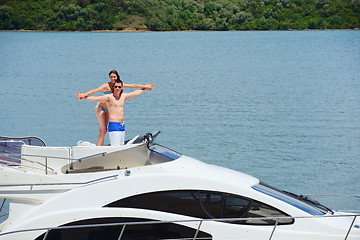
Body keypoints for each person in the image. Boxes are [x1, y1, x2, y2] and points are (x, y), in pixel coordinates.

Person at [76, 70, 154, 146]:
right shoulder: (107, 87)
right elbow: (95, 91)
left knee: (107, 129)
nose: (113, 79)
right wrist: (84, 95)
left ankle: (102, 145)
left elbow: (133, 87)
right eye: (111, 77)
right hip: (102, 108)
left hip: (114, 114)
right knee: (103, 129)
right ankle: (99, 147)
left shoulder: (120, 87)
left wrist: (145, 87)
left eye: (114, 77)